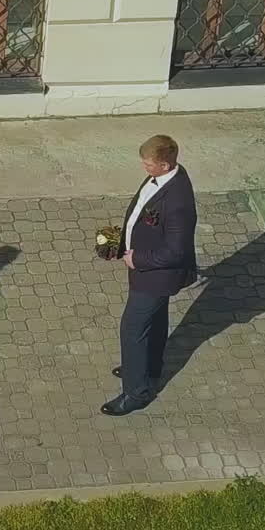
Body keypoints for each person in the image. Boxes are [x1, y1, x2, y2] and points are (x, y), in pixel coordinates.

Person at [101, 134, 197, 418]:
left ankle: (137, 392)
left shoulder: (178, 201)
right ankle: (147, 367)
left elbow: (176, 251)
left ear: (165, 165)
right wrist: (119, 244)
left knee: (132, 329)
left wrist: (137, 258)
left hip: (155, 275)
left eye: (149, 164)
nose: (144, 168)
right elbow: (140, 214)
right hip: (146, 269)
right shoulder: (161, 178)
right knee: (154, 320)